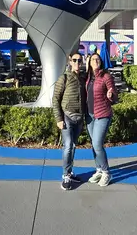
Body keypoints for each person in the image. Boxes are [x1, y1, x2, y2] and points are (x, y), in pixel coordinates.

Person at [52, 52, 86, 191]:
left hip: (79, 118)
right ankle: (65, 175)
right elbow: (55, 99)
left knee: (73, 146)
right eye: (74, 60)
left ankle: (70, 172)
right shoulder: (64, 78)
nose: (77, 63)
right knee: (68, 146)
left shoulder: (83, 79)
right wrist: (58, 118)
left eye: (79, 60)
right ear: (70, 62)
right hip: (67, 117)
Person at [86, 52, 117, 187]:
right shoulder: (88, 77)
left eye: (97, 59)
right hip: (90, 115)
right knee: (93, 145)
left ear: (101, 61)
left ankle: (106, 172)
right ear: (89, 62)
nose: (95, 61)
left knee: (97, 144)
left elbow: (114, 94)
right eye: (93, 59)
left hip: (102, 114)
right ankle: (98, 169)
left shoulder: (106, 76)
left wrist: (111, 94)